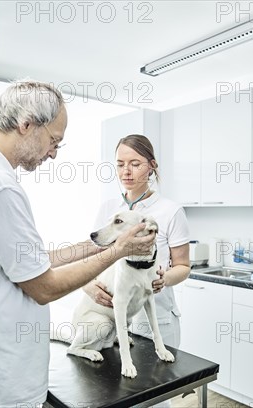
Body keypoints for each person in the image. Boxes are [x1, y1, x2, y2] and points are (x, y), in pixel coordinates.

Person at [0, 81, 156, 407]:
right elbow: (44, 287)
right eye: (54, 140)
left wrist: (98, 245)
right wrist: (120, 251)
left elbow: (28, 260)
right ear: (26, 124)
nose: (53, 153)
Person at [84, 134, 191, 349]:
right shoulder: (108, 208)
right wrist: (89, 286)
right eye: (120, 164)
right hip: (113, 320)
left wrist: (165, 279)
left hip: (155, 319)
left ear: (151, 166)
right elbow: (91, 260)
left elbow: (183, 266)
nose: (126, 171)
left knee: (163, 381)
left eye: (135, 164)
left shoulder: (170, 211)